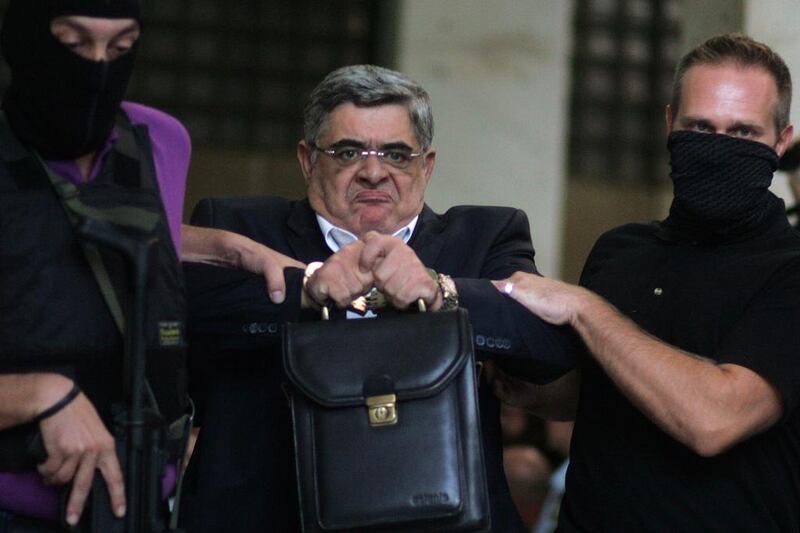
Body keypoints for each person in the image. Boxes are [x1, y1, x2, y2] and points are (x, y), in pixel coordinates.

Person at [179, 64, 577, 532]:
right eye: (348, 152)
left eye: (396, 154)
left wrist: (439, 290)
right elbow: (181, 318)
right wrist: (305, 289)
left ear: (425, 166)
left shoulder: (485, 237)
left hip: (442, 518)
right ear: (308, 160)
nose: (373, 171)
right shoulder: (238, 227)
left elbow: (548, 348)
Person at [0, 1, 299, 530]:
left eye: (119, 47)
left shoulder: (159, 140)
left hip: (142, 508)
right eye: (72, 45)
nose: (96, 66)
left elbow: (81, 232)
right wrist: (38, 395)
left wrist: (230, 248)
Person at [491, 33, 800, 532]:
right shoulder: (622, 250)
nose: (718, 147)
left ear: (780, 142)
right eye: (700, 127)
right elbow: (591, 391)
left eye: (742, 133)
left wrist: (584, 308)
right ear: (669, 123)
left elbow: (712, 419)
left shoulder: (789, 271)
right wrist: (507, 367)